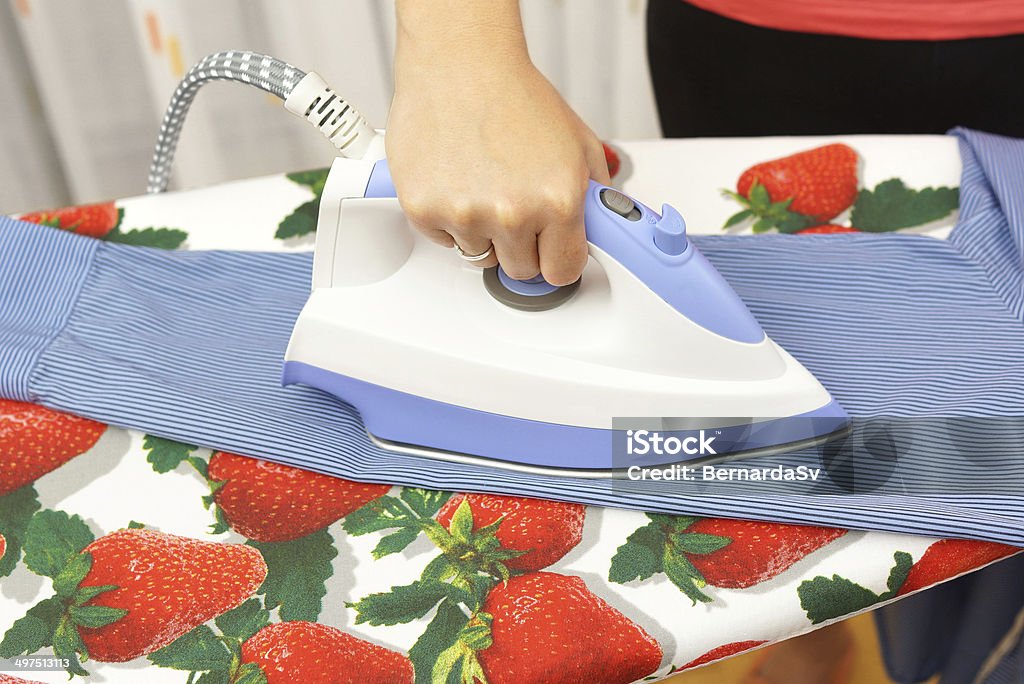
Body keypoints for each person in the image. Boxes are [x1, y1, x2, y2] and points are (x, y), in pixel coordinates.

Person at [386, 2, 1024, 682]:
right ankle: (810, 631)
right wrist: (462, 59)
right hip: (747, 39)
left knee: (992, 462)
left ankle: (934, 629)